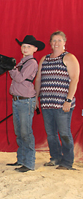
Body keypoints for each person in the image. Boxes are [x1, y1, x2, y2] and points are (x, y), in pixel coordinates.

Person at [35, 31, 80, 170]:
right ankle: (55, 158)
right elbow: (38, 80)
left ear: (64, 42)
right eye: (54, 41)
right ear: (50, 43)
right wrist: (36, 97)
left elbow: (74, 80)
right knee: (51, 134)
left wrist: (68, 99)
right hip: (47, 103)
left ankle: (67, 162)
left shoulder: (69, 58)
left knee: (64, 133)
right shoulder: (44, 59)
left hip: (62, 104)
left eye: (59, 40)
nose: (56, 43)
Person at [6, 35, 45, 172]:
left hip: (25, 101)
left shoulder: (32, 63)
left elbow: (20, 77)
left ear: (35, 49)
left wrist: (10, 67)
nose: (25, 48)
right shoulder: (22, 62)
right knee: (19, 131)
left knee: (25, 132)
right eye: (23, 46)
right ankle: (21, 159)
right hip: (17, 100)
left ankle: (29, 163)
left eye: (28, 46)